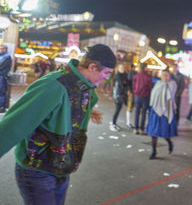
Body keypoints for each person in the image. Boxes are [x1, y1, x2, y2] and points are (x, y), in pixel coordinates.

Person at [0, 44, 115, 205]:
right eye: (107, 73)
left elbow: (83, 98)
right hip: (37, 169)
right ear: (93, 67)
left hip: (61, 166)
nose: (107, 78)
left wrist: (90, 109)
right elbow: (15, 123)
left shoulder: (84, 85)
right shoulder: (53, 85)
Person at [146, 69, 176, 159]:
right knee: (153, 133)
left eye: (167, 75)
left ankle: (170, 143)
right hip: (155, 110)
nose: (165, 77)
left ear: (169, 76)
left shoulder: (172, 84)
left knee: (164, 133)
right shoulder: (158, 84)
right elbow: (153, 96)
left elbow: (170, 95)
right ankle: (154, 151)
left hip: (166, 112)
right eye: (163, 75)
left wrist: (165, 85)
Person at [132, 63, 153, 135]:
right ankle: (141, 129)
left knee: (137, 112)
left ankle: (136, 128)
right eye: (147, 67)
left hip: (137, 96)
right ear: (144, 68)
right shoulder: (148, 77)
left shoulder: (136, 76)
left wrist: (135, 93)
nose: (148, 68)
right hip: (145, 97)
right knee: (144, 113)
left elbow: (133, 86)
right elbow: (150, 87)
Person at [110, 64, 129, 131]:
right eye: (121, 68)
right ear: (118, 69)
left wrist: (125, 83)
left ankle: (114, 123)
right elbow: (120, 85)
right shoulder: (117, 76)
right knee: (117, 110)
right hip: (118, 95)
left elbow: (127, 83)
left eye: (123, 67)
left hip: (122, 95)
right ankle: (113, 123)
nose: (122, 69)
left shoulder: (124, 75)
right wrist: (124, 83)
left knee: (118, 109)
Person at [171, 64, 186, 130]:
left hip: (177, 96)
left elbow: (182, 86)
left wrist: (177, 94)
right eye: (173, 67)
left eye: (175, 67)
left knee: (176, 109)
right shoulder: (171, 75)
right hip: (170, 95)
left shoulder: (181, 76)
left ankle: (176, 124)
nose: (174, 69)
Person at [0, 44, 12, 113]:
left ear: (4, 49)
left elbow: (1, 66)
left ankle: (2, 107)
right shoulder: (2, 56)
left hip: (1, 76)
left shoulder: (7, 57)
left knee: (1, 92)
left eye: (1, 48)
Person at [126, 64, 137, 129]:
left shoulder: (134, 73)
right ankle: (128, 122)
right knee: (130, 106)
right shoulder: (131, 73)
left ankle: (129, 122)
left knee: (131, 107)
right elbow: (129, 82)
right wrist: (129, 90)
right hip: (132, 91)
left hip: (133, 91)